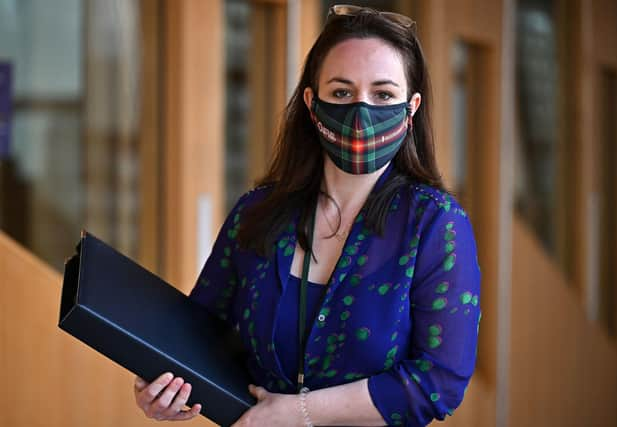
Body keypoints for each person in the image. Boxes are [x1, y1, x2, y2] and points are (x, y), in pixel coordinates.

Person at [133, 4, 481, 426]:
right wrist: (166, 385)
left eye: (383, 95)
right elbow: (200, 337)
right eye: (341, 92)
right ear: (312, 104)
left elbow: (439, 382)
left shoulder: (435, 225)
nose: (361, 110)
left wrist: (298, 413)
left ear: (411, 108)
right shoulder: (257, 213)